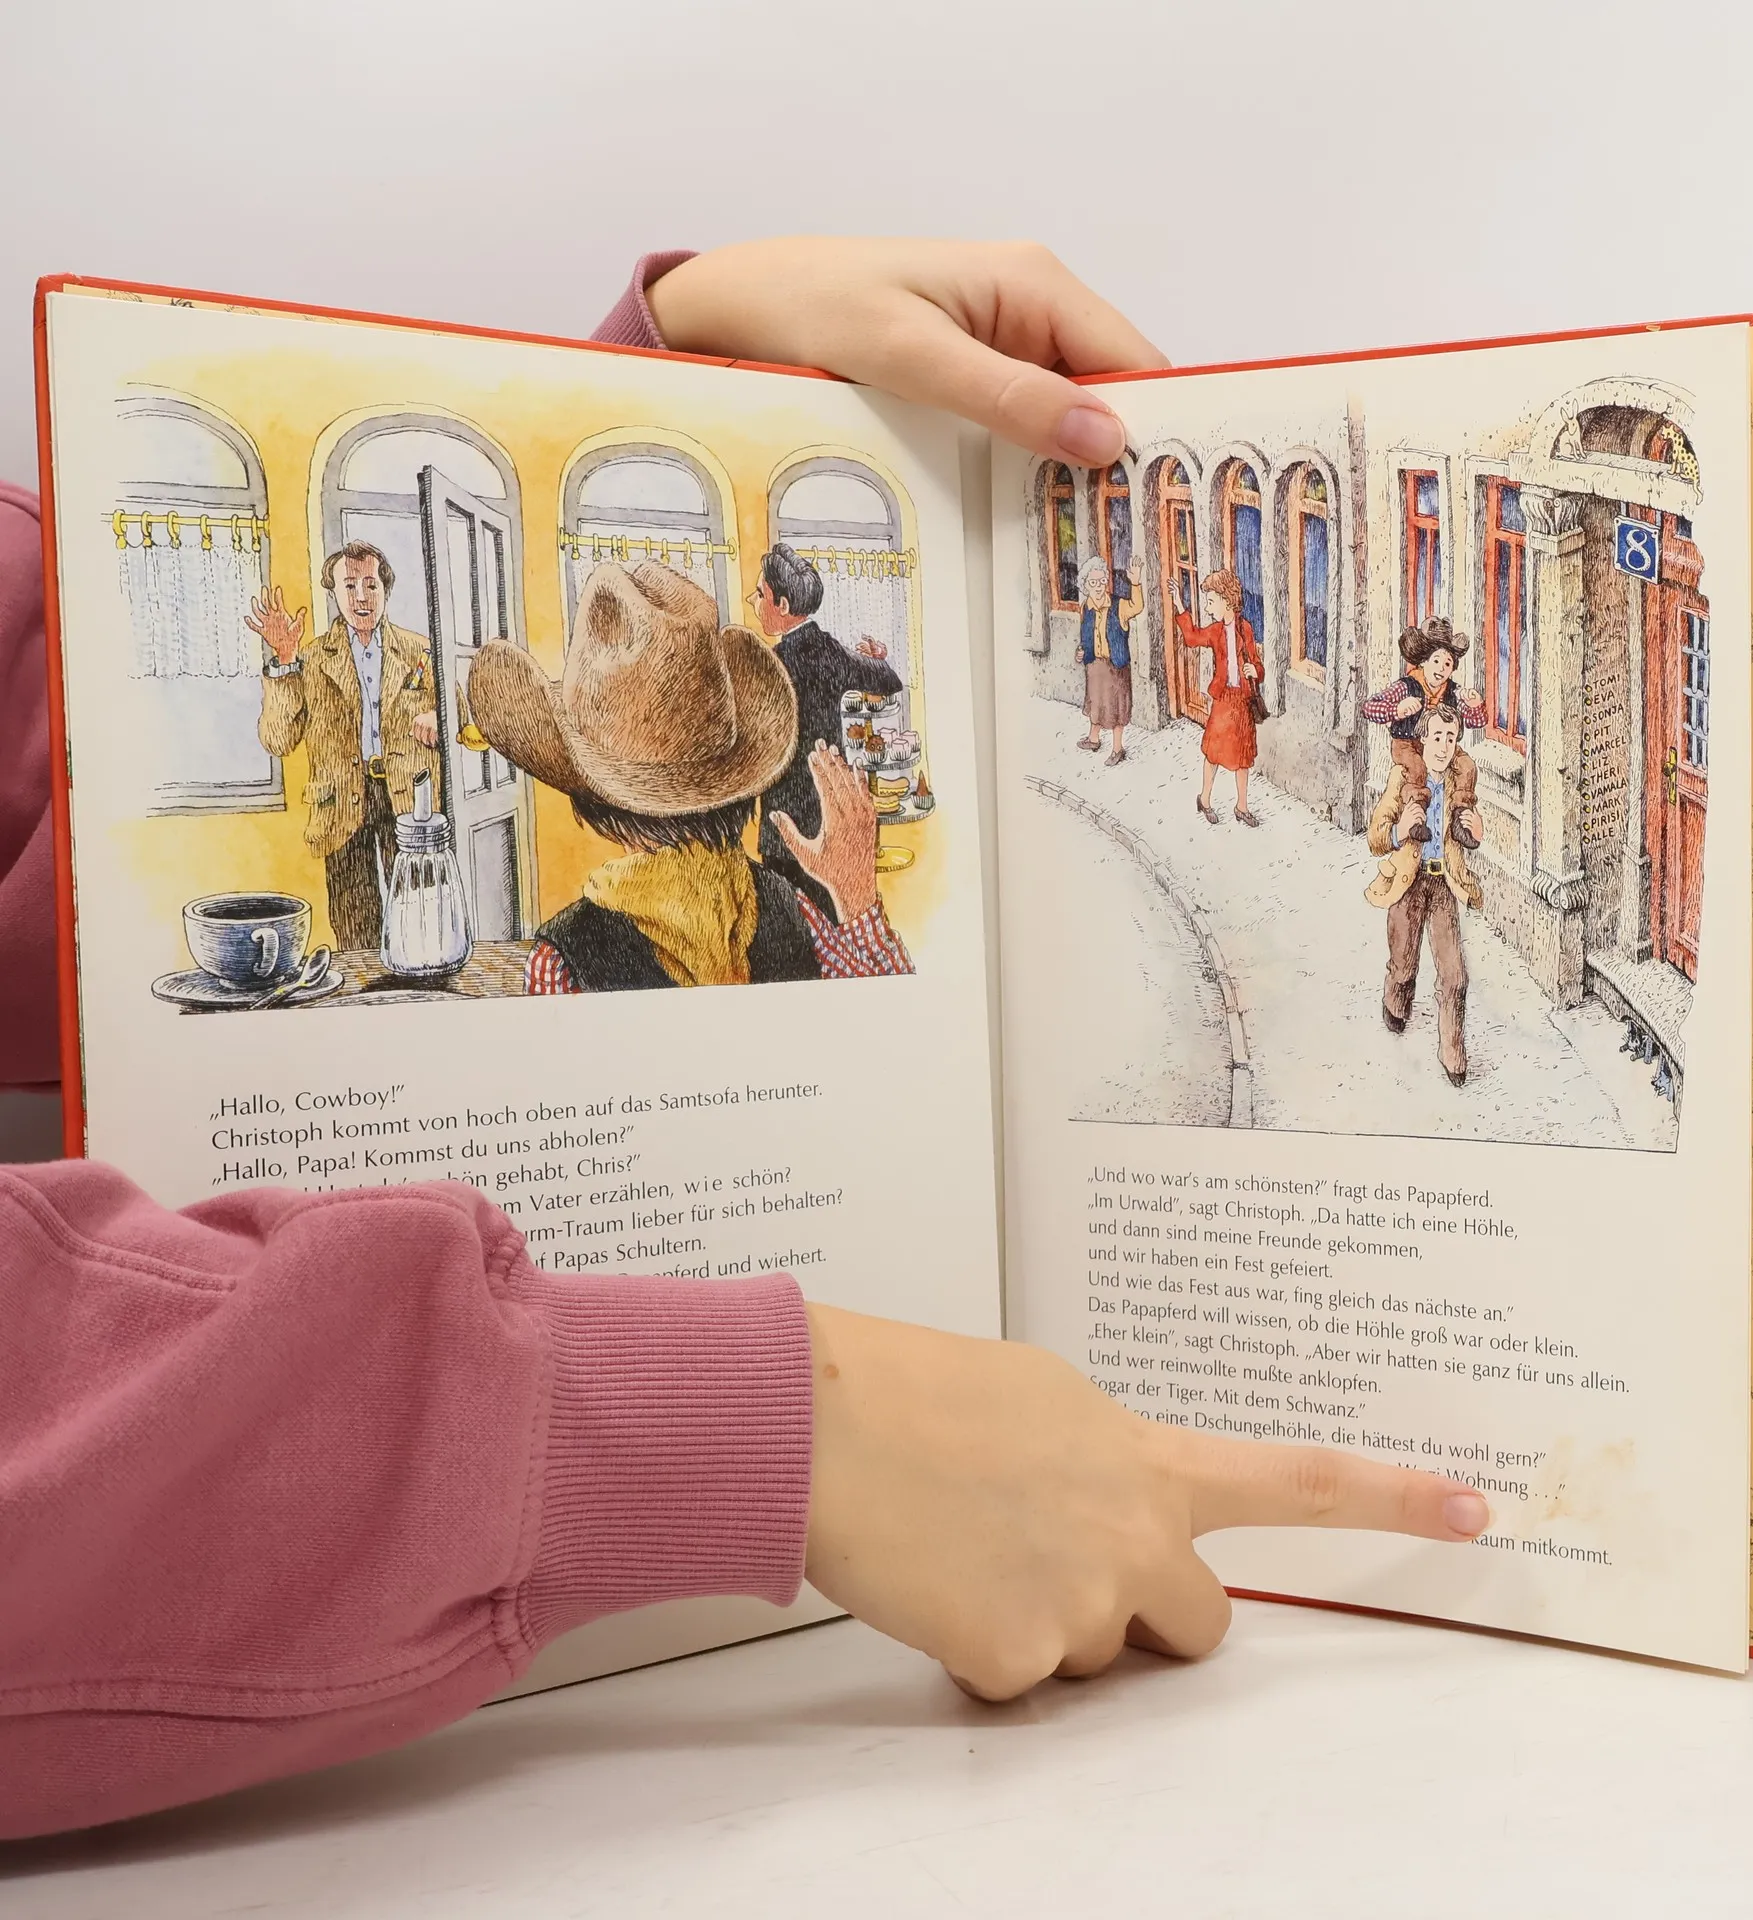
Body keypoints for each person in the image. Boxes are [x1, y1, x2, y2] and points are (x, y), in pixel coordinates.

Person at [0, 240, 1489, 1842]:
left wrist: (678, 346)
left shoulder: (547, 970)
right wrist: (753, 1419)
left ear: (578, 798)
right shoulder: (806, 923)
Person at [468, 557, 912, 990]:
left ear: (598, 797)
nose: (754, 600)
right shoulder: (789, 906)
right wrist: (857, 901)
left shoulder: (562, 960)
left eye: (760, 593)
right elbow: (893, 1014)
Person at [249, 543, 462, 952]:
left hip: (409, 797)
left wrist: (440, 717)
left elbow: (460, 713)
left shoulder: (420, 651)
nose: (361, 597)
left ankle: (419, 976)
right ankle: (364, 986)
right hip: (340, 801)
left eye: (371, 585)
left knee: (417, 906)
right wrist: (285, 660)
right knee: (354, 917)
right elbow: (278, 739)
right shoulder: (310, 658)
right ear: (333, 592)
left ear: (386, 590)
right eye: (349, 586)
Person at [748, 543, 903, 919]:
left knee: (788, 927)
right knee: (833, 921)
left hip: (784, 824)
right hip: (832, 816)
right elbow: (889, 681)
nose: (752, 601)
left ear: (782, 605)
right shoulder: (832, 651)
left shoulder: (772, 666)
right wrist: (877, 659)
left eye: (759, 594)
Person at [1364, 703, 1486, 1087]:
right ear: (1422, 740)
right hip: (1408, 883)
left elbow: (1469, 833)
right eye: (1436, 737)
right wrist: (1400, 830)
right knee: (1404, 963)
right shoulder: (1403, 778)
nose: (1443, 746)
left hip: (1443, 886)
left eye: (1451, 738)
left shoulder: (1460, 781)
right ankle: (1396, 999)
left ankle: (1453, 1052)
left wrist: (1477, 832)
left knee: (1455, 976)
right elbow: (1375, 836)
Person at [1361, 616, 1485, 808]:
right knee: (1417, 769)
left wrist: (1475, 705)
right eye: (1436, 661)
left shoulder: (1452, 692)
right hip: (1408, 744)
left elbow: (1473, 722)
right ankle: (1416, 811)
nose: (1441, 668)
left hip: (1440, 744)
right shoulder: (1406, 686)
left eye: (1447, 664)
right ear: (1423, 662)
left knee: (1467, 766)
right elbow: (1369, 708)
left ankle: (1461, 810)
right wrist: (1396, 710)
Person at [1173, 568, 1265, 825]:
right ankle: (1204, 799)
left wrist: (1255, 671)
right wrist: (1179, 604)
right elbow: (1192, 638)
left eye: (1211, 601)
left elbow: (1257, 664)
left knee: (1243, 756)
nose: (1208, 607)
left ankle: (1242, 806)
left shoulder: (1245, 629)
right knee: (1213, 752)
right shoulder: (1215, 631)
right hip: (1223, 699)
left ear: (1227, 600)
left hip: (1242, 700)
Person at [1075, 554, 1144, 764]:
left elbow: (1137, 606)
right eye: (1093, 582)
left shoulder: (1118, 605)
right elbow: (1085, 636)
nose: (1098, 586)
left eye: (1102, 581)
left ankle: (1117, 749)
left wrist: (1135, 583)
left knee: (1117, 708)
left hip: (1116, 665)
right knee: (1095, 703)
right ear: (1085, 585)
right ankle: (1094, 739)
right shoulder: (1085, 607)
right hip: (1095, 665)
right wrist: (1080, 652)